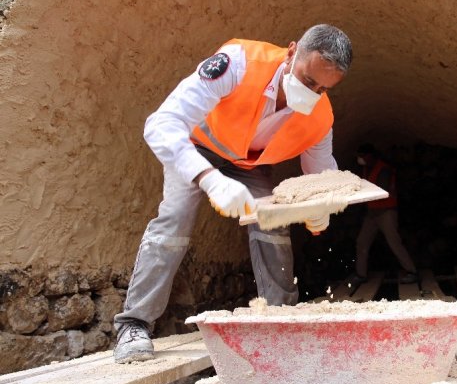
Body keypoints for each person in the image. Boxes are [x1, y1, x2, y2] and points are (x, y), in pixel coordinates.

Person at [113, 25, 353, 363]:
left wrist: (320, 209)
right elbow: (161, 124)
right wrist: (209, 179)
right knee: (175, 219)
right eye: (308, 80)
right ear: (291, 52)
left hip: (250, 166)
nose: (311, 93)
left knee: (273, 221)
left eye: (323, 89)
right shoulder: (239, 64)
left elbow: (321, 175)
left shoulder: (320, 116)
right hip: (198, 149)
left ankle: (280, 322)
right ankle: (134, 324)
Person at [351, 143, 418, 286]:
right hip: (372, 213)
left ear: (369, 156)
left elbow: (381, 190)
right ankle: (361, 274)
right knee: (362, 242)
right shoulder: (366, 169)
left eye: (362, 156)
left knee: (394, 242)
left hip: (386, 212)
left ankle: (412, 271)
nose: (360, 159)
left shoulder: (384, 169)